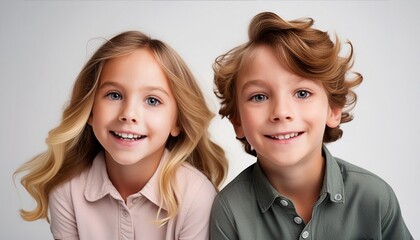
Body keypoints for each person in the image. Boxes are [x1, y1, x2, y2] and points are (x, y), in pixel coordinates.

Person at [210, 11, 412, 239]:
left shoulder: (375, 198)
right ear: (237, 121)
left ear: (333, 110)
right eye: (259, 97)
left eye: (302, 93)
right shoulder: (229, 211)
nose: (281, 112)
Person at [14, 30, 228, 240]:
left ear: (177, 122)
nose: (128, 114)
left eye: (152, 100)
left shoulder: (196, 196)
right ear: (90, 110)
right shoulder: (67, 190)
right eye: (114, 95)